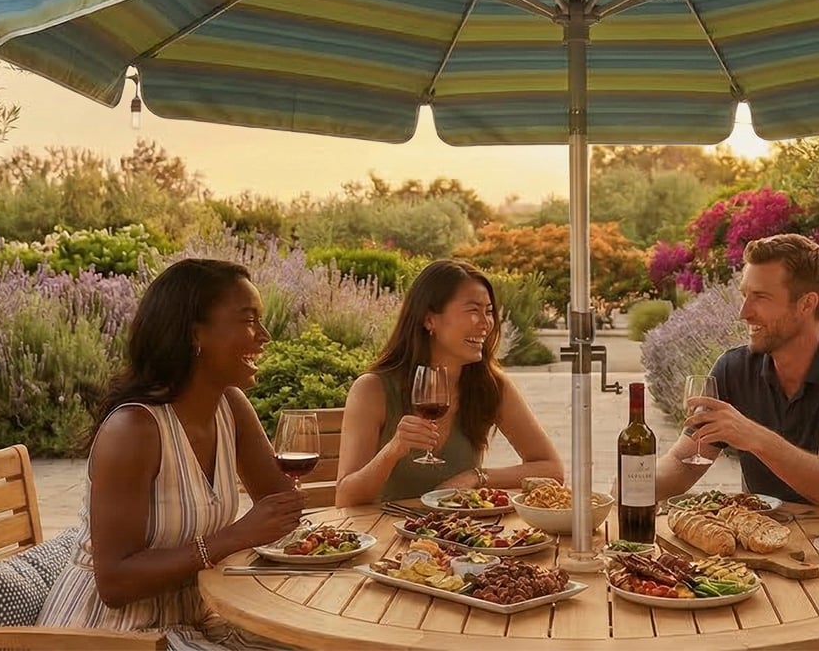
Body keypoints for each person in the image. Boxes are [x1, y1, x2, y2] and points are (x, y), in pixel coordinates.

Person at [39, 258, 305, 649]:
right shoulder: (134, 430)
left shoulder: (231, 406)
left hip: (194, 619)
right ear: (195, 333)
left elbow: (281, 506)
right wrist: (234, 537)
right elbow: (114, 582)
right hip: (113, 634)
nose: (264, 335)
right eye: (249, 320)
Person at [654, 233, 819, 509]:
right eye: (745, 295)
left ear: (807, 303)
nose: (744, 312)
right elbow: (681, 463)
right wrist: (628, 487)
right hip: (763, 541)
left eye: (760, 297)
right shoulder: (734, 369)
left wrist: (755, 437)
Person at [335, 259, 564, 505]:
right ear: (429, 319)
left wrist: (476, 477)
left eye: (488, 311)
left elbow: (552, 469)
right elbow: (345, 498)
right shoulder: (373, 390)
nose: (486, 323)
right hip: (383, 534)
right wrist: (393, 449)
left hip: (458, 535)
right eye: (473, 310)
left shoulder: (490, 386)